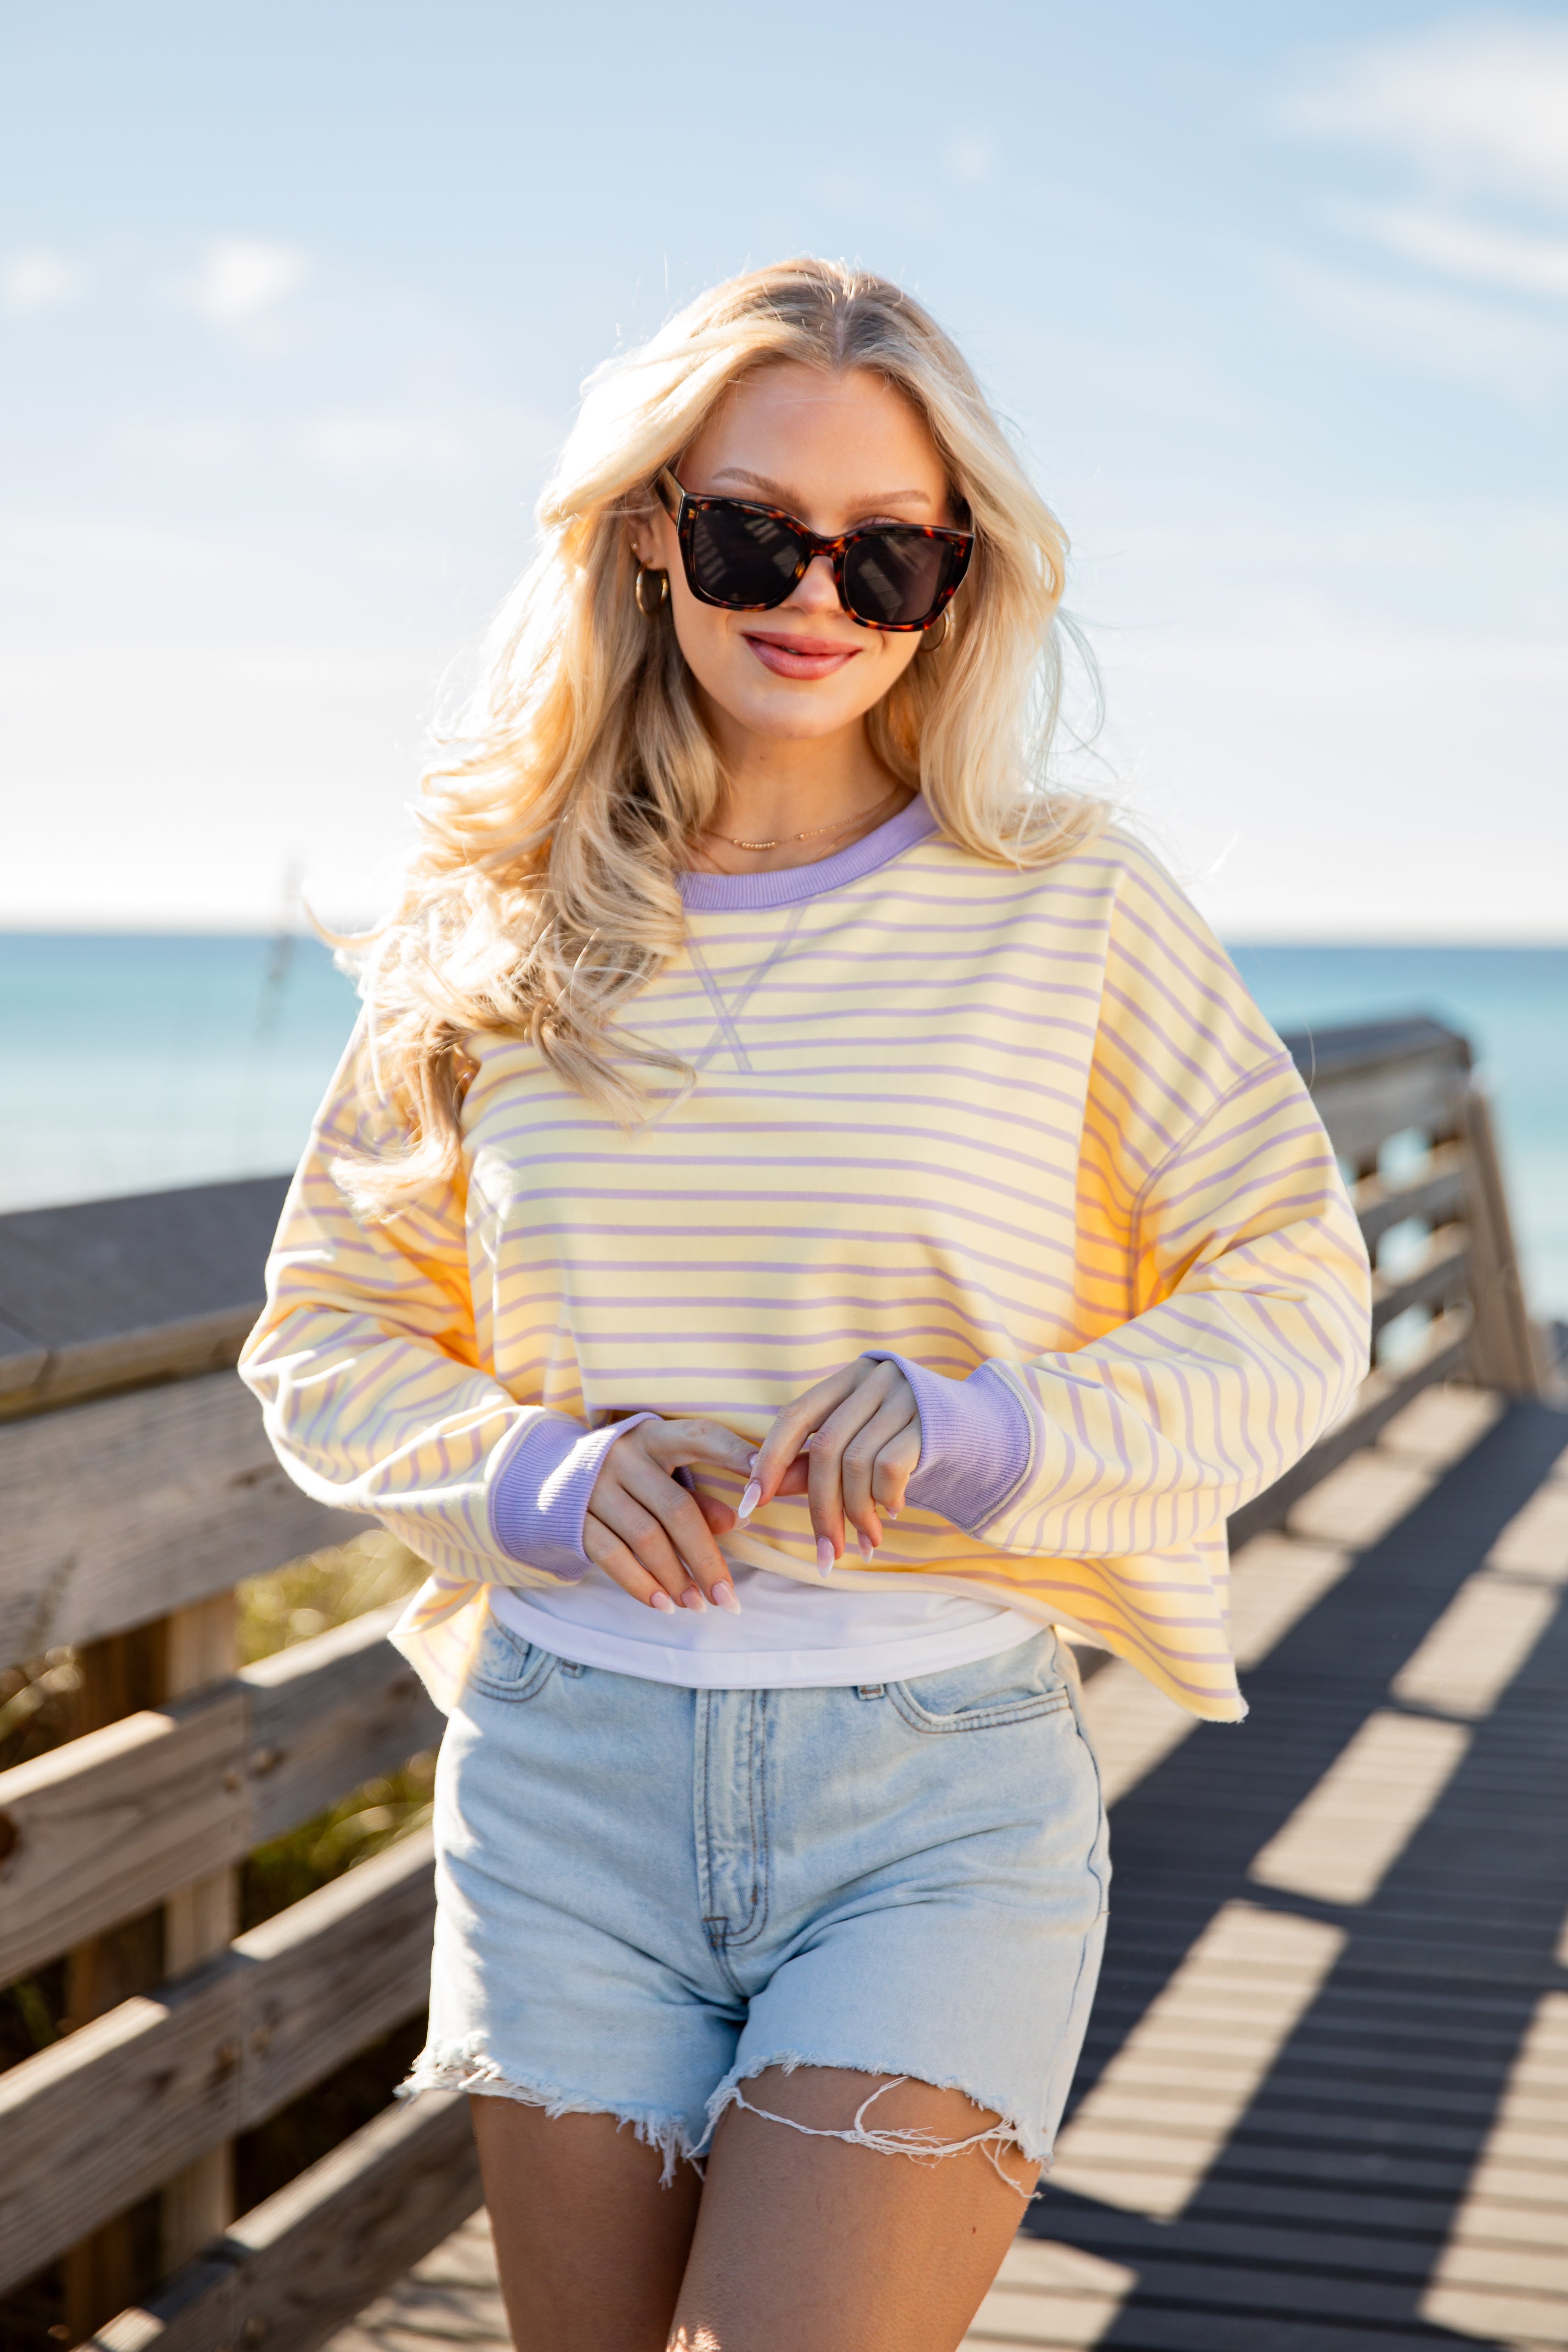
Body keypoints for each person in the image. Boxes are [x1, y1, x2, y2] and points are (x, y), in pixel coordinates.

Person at [241, 257, 1371, 2352]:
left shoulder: (1072, 908)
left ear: (959, 578)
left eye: (893, 556)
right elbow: (318, 1329)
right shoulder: (492, 922)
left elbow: (1296, 1291)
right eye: (760, 532)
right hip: (565, 1784)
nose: (818, 600)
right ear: (654, 531)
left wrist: (995, 1428)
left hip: (933, 1791)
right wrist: (536, 1474)